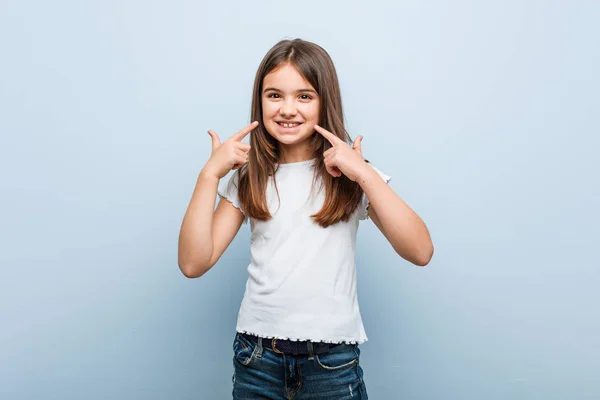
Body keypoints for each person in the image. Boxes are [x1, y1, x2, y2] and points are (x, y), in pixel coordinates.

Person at [178, 38, 434, 399]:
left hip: (332, 364)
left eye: (304, 96)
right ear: (259, 100)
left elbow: (420, 250)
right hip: (257, 359)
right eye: (274, 95)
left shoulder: (351, 174)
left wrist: (364, 175)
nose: (287, 109)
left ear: (324, 101)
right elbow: (193, 262)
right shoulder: (249, 174)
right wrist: (209, 176)